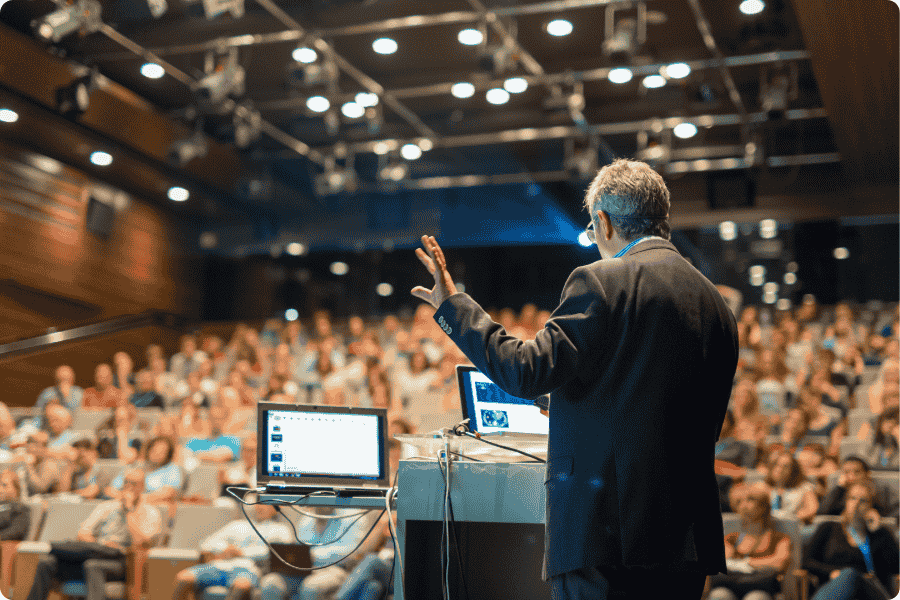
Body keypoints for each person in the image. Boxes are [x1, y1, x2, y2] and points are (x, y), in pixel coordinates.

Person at [410, 158, 739, 599]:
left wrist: (454, 305)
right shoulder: (716, 304)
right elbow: (650, 404)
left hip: (605, 535)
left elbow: (525, 370)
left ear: (602, 222)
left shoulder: (602, 280)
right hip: (685, 538)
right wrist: (562, 402)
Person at [24, 467, 162, 600]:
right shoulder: (107, 507)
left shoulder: (150, 512)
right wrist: (102, 545)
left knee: (93, 566)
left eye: (133, 483)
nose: (128, 487)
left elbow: (141, 543)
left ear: (142, 487)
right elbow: (82, 533)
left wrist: (129, 510)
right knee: (47, 562)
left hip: (124, 563)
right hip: (98, 553)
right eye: (126, 482)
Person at [173, 493, 294, 600]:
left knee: (242, 586)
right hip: (220, 566)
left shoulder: (281, 529)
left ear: (276, 507)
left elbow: (278, 553)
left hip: (248, 569)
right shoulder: (238, 525)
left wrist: (241, 552)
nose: (261, 507)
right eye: (259, 502)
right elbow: (206, 543)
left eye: (266, 504)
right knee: (183, 578)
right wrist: (224, 549)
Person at [803, 481, 899, 600]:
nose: (856, 504)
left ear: (871, 506)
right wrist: (832, 572)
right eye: (852, 498)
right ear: (846, 502)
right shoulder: (828, 528)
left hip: (870, 592)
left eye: (863, 500)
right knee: (847, 575)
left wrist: (877, 531)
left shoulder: (881, 534)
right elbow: (807, 562)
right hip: (834, 589)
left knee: (849, 574)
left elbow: (895, 568)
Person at [707, 482, 792, 600]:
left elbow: (779, 563)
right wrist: (760, 564)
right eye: (740, 502)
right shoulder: (732, 538)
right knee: (718, 595)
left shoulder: (779, 538)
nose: (743, 505)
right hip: (731, 585)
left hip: (760, 587)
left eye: (750, 500)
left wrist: (746, 562)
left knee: (755, 598)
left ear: (763, 507)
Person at [818, 456, 898, 519]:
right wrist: (839, 488)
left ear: (867, 474)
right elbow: (822, 513)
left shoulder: (880, 490)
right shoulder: (839, 491)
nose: (852, 476)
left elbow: (895, 512)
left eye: (857, 472)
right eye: (846, 472)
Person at [0, 468, 31, 540]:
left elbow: (16, 532)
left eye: (4, 485)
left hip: (7, 546)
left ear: (15, 488)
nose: (0, 490)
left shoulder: (20, 509)